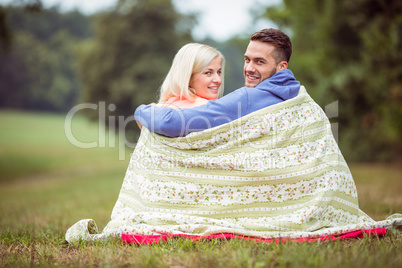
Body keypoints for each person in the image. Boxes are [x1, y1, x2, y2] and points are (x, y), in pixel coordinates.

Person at [134, 28, 300, 137]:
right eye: (247, 60)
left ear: (281, 67)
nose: (249, 68)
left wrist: (142, 111)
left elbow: (169, 122)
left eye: (259, 62)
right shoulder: (294, 92)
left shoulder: (248, 98)